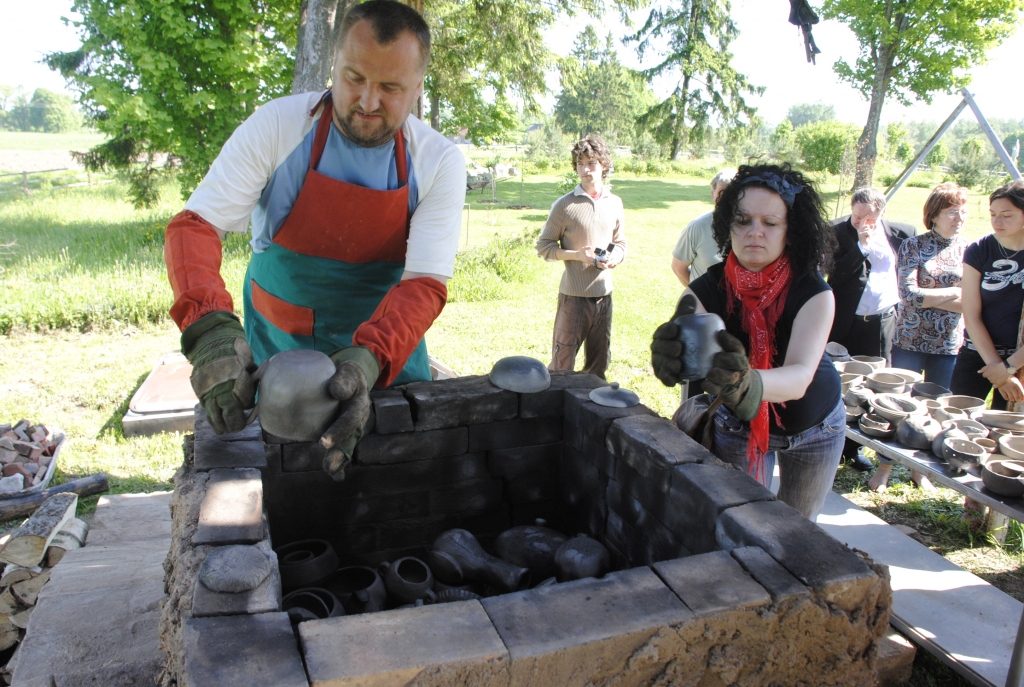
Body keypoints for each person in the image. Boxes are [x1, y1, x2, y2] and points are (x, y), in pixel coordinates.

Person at [163, 0, 466, 480]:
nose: (367, 101)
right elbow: (196, 228)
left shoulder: (438, 162)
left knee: (393, 489)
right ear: (333, 66)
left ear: (417, 88)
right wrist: (210, 332)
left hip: (383, 356)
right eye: (353, 78)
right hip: (278, 353)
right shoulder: (278, 127)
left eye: (390, 87)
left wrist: (371, 359)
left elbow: (425, 284)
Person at [652, 164, 842, 521]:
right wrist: (670, 356)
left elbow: (800, 376)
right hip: (739, 422)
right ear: (727, 225)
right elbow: (685, 344)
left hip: (818, 425)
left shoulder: (814, 291)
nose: (755, 233)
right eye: (743, 221)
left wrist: (746, 382)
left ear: (790, 231)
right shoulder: (707, 289)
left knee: (798, 530)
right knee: (743, 523)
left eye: (770, 223)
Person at [868, 183, 969, 492]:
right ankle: (885, 467)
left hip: (947, 343)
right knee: (901, 405)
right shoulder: (914, 246)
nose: (960, 218)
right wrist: (955, 292)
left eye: (964, 211)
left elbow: (973, 301)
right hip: (910, 339)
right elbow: (910, 295)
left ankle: (919, 470)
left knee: (933, 411)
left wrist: (935, 296)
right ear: (934, 214)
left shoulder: (969, 249)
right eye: (953, 212)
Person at [827, 188, 916, 472]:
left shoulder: (903, 233)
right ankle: (833, 442)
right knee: (840, 381)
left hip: (881, 321)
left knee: (875, 383)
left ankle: (859, 448)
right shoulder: (837, 232)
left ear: (882, 213)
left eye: (870, 217)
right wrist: (861, 247)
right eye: (857, 216)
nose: (863, 222)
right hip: (845, 322)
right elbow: (835, 275)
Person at [536, 135, 627, 380]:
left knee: (598, 368)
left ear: (604, 165)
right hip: (573, 299)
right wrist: (577, 255)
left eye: (591, 163)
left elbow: (620, 243)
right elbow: (544, 247)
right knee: (562, 365)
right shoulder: (565, 205)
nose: (585, 170)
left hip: (604, 297)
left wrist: (614, 258)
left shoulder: (615, 203)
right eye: (580, 163)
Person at [950, 180, 1024, 410]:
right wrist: (998, 368)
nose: (997, 221)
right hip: (977, 354)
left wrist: (1009, 368)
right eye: (993, 214)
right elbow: (972, 314)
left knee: (1009, 436)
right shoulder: (979, 250)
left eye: (1007, 215)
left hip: (1020, 361)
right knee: (956, 425)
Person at [670, 169, 737, 286]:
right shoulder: (697, 228)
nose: (727, 198)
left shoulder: (753, 228)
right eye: (722, 192)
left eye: (733, 192)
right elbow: (678, 268)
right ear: (713, 195)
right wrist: (700, 295)